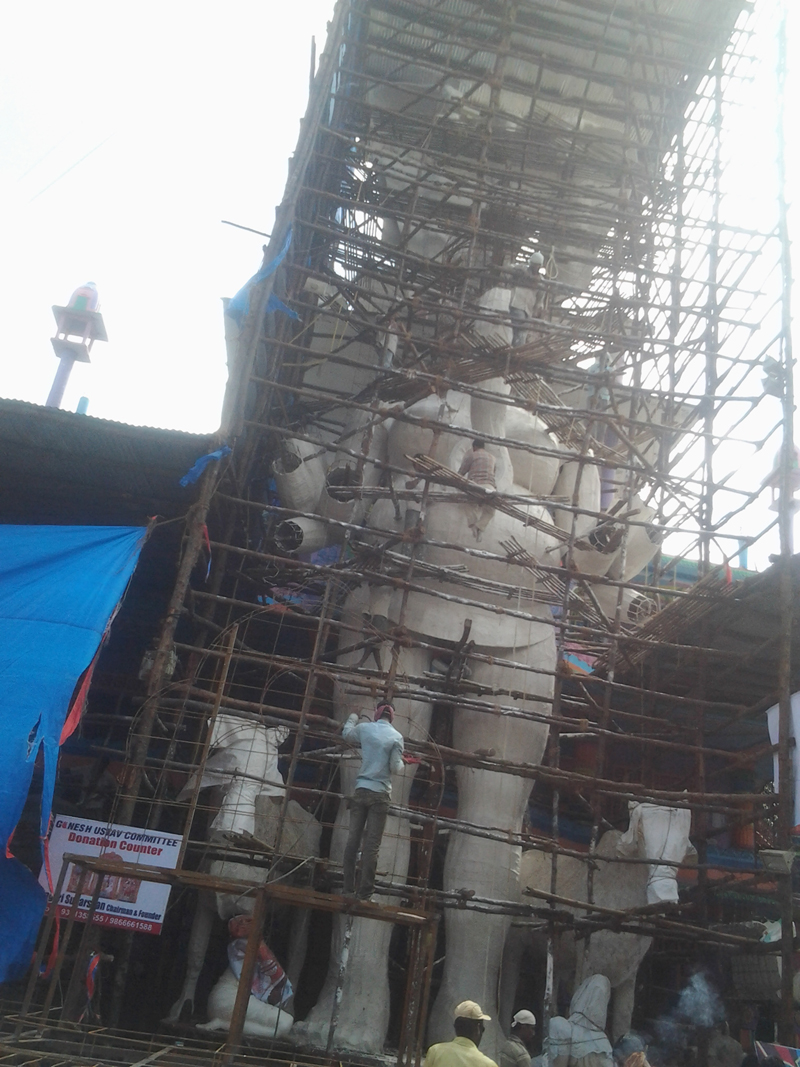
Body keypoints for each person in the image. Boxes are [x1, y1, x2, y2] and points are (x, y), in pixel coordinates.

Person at [342, 701, 404, 899]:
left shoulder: (365, 729)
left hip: (361, 790)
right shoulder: (397, 737)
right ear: (392, 716)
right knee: (371, 846)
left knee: (352, 841)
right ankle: (365, 892)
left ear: (377, 712)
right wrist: (403, 762)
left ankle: (347, 889)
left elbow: (346, 734)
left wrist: (353, 716)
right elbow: (395, 768)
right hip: (380, 795)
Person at [426, 1000, 499, 1067]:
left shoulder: (435, 1051)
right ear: (477, 1029)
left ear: (456, 1027)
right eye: (482, 1029)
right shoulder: (489, 1065)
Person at [458, 439, 497, 540]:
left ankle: (473, 524)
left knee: (469, 504)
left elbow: (461, 472)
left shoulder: (472, 455)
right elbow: (493, 474)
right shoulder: (493, 458)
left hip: (475, 485)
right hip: (490, 487)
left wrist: (457, 481)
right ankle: (480, 527)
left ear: (474, 447)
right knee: (490, 510)